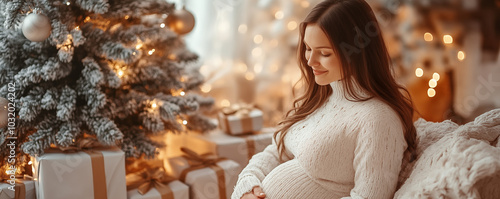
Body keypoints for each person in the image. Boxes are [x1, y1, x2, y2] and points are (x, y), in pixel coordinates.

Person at [231, 0, 417, 198]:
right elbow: (275, 153)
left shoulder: (378, 120)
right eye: (308, 48)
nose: (310, 61)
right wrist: (248, 186)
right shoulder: (321, 97)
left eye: (324, 53)